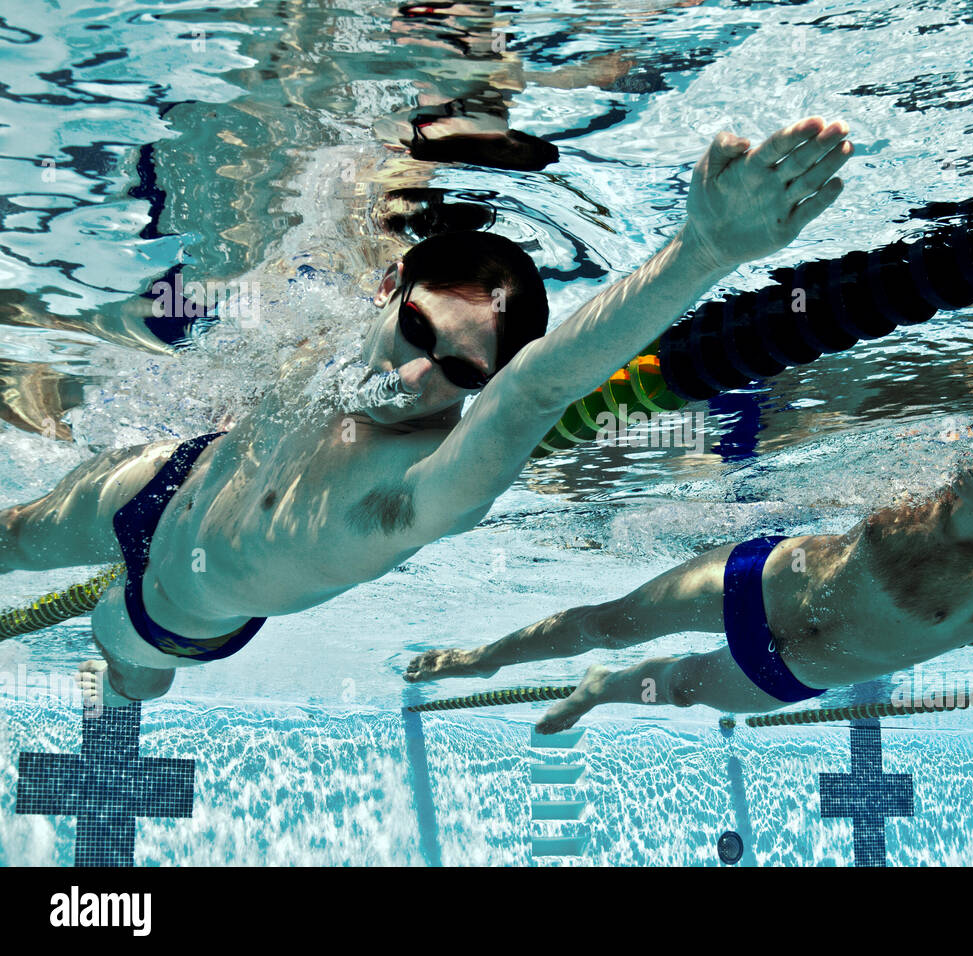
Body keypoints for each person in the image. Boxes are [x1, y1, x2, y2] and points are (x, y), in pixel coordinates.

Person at [0, 116, 854, 707]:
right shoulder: (347, 321)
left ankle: (127, 693)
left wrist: (701, 248)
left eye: (457, 371)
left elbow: (536, 389)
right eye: (414, 330)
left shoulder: (418, 488)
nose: (416, 380)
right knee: (12, 535)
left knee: (129, 661)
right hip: (178, 475)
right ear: (388, 287)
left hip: (181, 605)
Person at [404, 435, 973, 733]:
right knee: (609, 619)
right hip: (764, 580)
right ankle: (484, 658)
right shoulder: (928, 485)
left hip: (798, 673)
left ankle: (601, 695)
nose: (971, 458)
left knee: (671, 687)